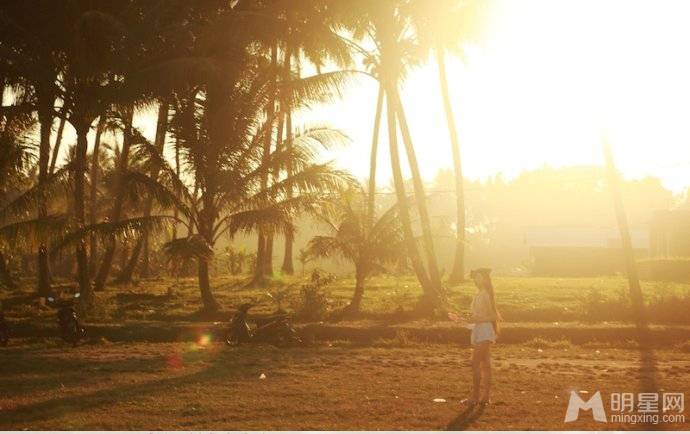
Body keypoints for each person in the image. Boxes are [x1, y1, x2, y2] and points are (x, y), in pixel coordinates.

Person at [466, 268, 501, 406]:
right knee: (485, 365)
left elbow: (494, 316)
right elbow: (478, 315)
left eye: (479, 277)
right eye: (475, 277)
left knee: (475, 363)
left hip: (485, 331)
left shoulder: (486, 294)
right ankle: (485, 397)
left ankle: (475, 397)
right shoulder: (479, 293)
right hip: (480, 330)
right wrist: (465, 319)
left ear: (485, 279)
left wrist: (477, 320)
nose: (476, 279)